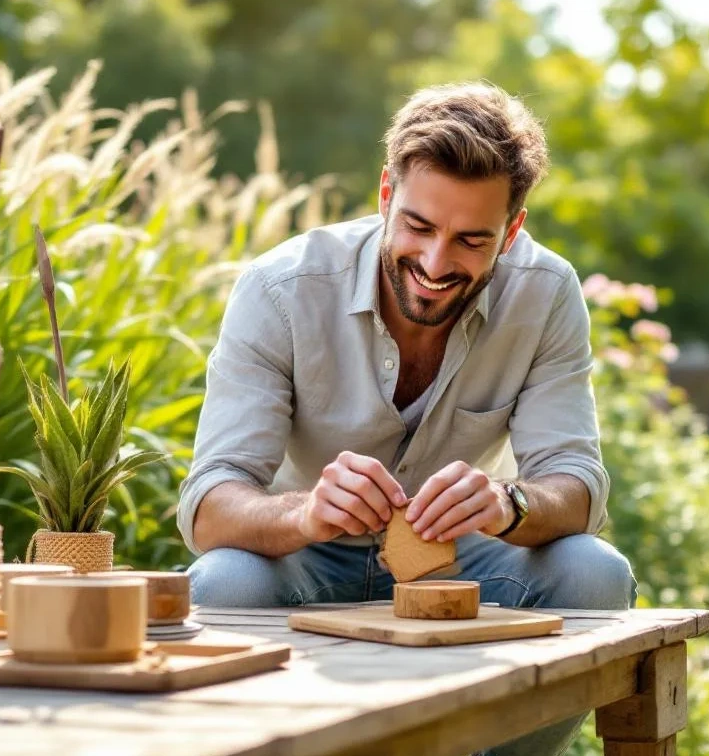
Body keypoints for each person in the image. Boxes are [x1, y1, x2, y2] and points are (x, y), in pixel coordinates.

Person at [178, 81, 636, 756]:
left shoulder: (547, 293)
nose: (434, 263)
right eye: (419, 227)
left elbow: (576, 485)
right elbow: (210, 506)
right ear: (387, 197)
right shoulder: (280, 289)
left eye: (471, 241)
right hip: (307, 559)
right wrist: (306, 514)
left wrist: (508, 503)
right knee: (221, 582)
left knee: (595, 573)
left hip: (464, 558)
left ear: (512, 230)